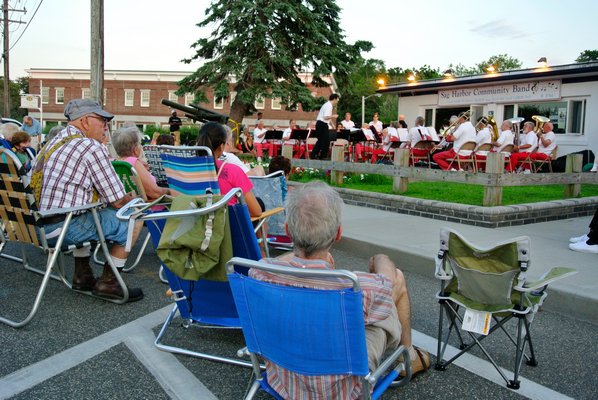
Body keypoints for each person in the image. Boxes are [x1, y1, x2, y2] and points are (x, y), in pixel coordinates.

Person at [250, 182, 430, 399]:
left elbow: (278, 263)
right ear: (338, 233)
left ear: (288, 231)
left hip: (283, 381)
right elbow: (388, 280)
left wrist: (303, 260)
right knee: (397, 279)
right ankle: (407, 356)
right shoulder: (355, 287)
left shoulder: (259, 275)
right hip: (345, 391)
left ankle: (408, 356)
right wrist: (380, 259)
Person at [38, 99, 143, 302]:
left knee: (87, 210)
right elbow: (118, 200)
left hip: (40, 227)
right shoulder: (89, 146)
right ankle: (110, 282)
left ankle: (82, 275)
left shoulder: (51, 143)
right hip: (64, 229)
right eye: (102, 120)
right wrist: (135, 199)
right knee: (134, 214)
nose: (106, 126)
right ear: (86, 121)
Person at [196, 122, 262, 217]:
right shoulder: (232, 171)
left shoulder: (186, 170)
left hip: (193, 225)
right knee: (260, 206)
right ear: (222, 146)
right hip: (225, 227)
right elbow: (256, 211)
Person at [111, 125, 172, 200]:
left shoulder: (116, 162)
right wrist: (171, 189)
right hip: (149, 207)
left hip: (130, 206)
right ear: (135, 149)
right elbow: (156, 193)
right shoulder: (134, 163)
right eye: (139, 144)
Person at [311, 93, 339, 160]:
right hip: (322, 124)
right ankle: (321, 155)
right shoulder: (329, 106)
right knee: (325, 140)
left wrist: (332, 124)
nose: (337, 102)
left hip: (322, 124)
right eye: (337, 100)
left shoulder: (327, 105)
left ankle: (316, 155)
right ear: (334, 99)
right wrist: (333, 116)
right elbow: (326, 117)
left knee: (322, 140)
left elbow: (327, 118)